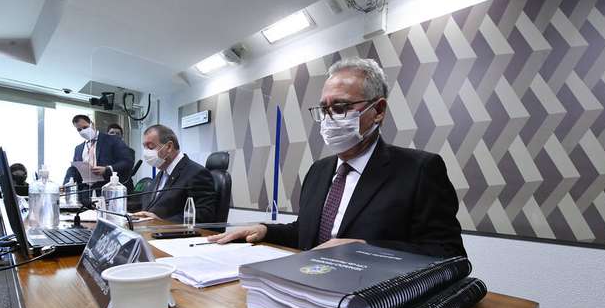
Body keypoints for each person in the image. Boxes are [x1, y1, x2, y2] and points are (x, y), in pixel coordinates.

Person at [210, 57, 466, 257]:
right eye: (324, 108)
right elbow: (307, 233)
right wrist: (265, 229)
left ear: (378, 110)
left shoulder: (419, 170)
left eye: (341, 107)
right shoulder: (318, 171)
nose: (329, 118)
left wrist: (364, 248)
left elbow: (449, 253)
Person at [132, 124, 217, 223]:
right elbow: (147, 205)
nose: (146, 152)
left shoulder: (197, 173)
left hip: (173, 231)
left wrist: (162, 223)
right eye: (145, 147)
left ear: (169, 147)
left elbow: (204, 214)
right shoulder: (162, 173)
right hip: (149, 229)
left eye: (150, 146)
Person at [63, 115, 134, 194]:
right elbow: (74, 169)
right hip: (86, 191)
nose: (83, 131)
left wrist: (107, 169)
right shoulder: (78, 148)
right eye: (79, 130)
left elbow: (127, 162)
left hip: (108, 190)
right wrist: (69, 181)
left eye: (85, 127)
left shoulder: (112, 140)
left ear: (92, 124)